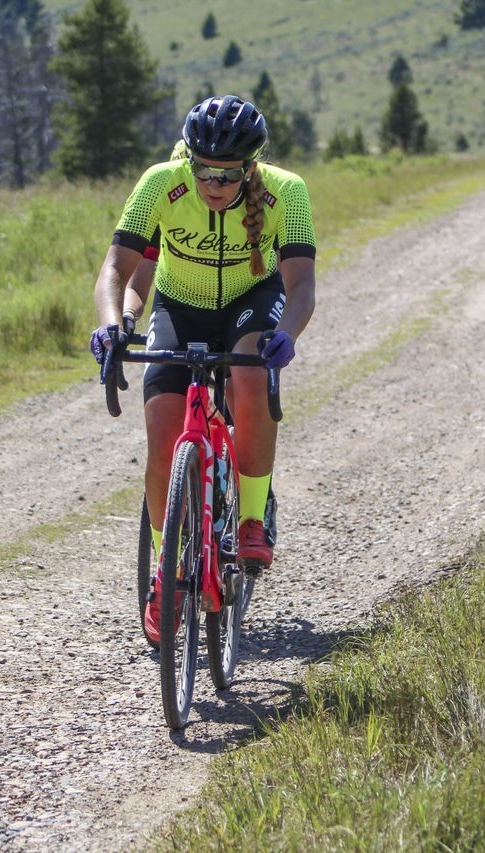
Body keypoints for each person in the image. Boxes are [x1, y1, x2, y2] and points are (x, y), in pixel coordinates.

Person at [90, 95, 317, 644]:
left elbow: (301, 284)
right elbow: (117, 269)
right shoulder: (160, 183)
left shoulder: (287, 192)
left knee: (249, 378)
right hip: (180, 304)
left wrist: (287, 334)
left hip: (249, 300)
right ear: (188, 160)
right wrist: (112, 322)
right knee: (164, 434)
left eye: (226, 174)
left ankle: (252, 519)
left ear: (249, 169)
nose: (212, 184)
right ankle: (165, 576)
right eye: (203, 171)